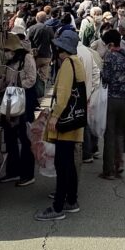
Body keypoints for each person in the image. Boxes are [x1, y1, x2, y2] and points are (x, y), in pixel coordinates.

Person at [35, 27, 86, 222]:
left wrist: (54, 116)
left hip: (65, 121)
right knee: (69, 163)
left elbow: (63, 94)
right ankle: (71, 200)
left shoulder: (67, 65)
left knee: (62, 163)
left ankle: (58, 206)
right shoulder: (77, 63)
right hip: (74, 120)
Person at [0, 33, 38, 187]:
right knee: (9, 136)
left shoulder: (27, 58)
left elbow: (32, 78)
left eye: (8, 49)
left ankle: (27, 174)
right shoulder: (8, 61)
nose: (6, 52)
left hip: (24, 102)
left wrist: (17, 88)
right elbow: (4, 80)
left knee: (25, 137)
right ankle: (13, 171)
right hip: (9, 102)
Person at [99, 29, 125, 180]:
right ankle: (119, 163)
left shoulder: (110, 57)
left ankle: (108, 170)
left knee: (110, 133)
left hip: (111, 98)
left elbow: (106, 77)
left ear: (109, 43)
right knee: (120, 132)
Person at [76, 33, 101, 164]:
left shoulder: (75, 54)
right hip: (88, 93)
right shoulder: (87, 51)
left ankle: (86, 153)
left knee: (84, 123)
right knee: (90, 121)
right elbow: (97, 73)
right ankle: (92, 149)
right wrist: (92, 90)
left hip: (79, 95)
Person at [27, 11, 55, 81]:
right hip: (46, 56)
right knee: (43, 78)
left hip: (34, 56)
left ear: (36, 18)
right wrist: (54, 56)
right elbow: (53, 43)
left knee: (33, 76)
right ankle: (42, 90)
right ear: (45, 19)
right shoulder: (49, 29)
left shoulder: (32, 28)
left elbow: (27, 41)